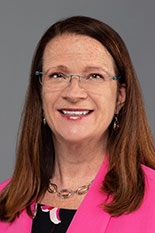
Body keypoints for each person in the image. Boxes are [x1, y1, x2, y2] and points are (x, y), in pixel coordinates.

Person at [0, 15, 155, 233]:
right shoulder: (4, 202)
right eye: (58, 75)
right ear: (40, 92)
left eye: (94, 76)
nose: (73, 93)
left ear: (120, 97)